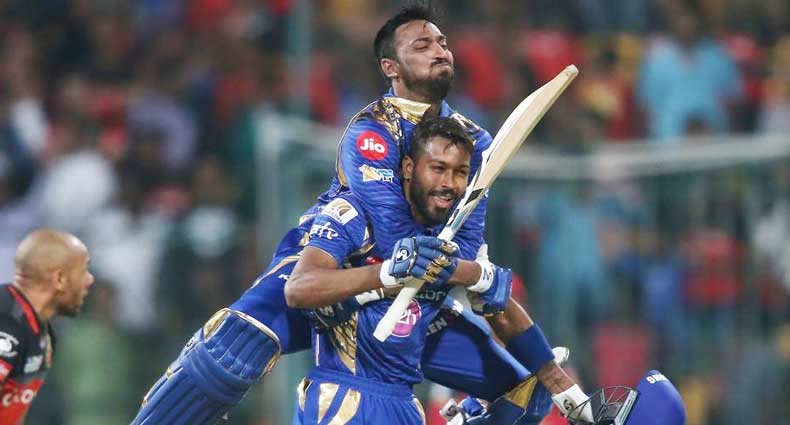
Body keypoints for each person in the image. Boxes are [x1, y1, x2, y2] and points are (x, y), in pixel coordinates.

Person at [132, 6, 590, 425]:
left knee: (522, 394)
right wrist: (467, 273)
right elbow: (393, 237)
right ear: (390, 67)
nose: (440, 51)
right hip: (336, 265)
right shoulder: (371, 130)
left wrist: (467, 273)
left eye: (443, 42)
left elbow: (463, 242)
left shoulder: (474, 140)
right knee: (231, 350)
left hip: (414, 291)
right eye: (422, 45)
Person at [0, 229, 95, 424]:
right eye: (84, 271)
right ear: (59, 279)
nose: (90, 280)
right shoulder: (7, 323)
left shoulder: (42, 332)